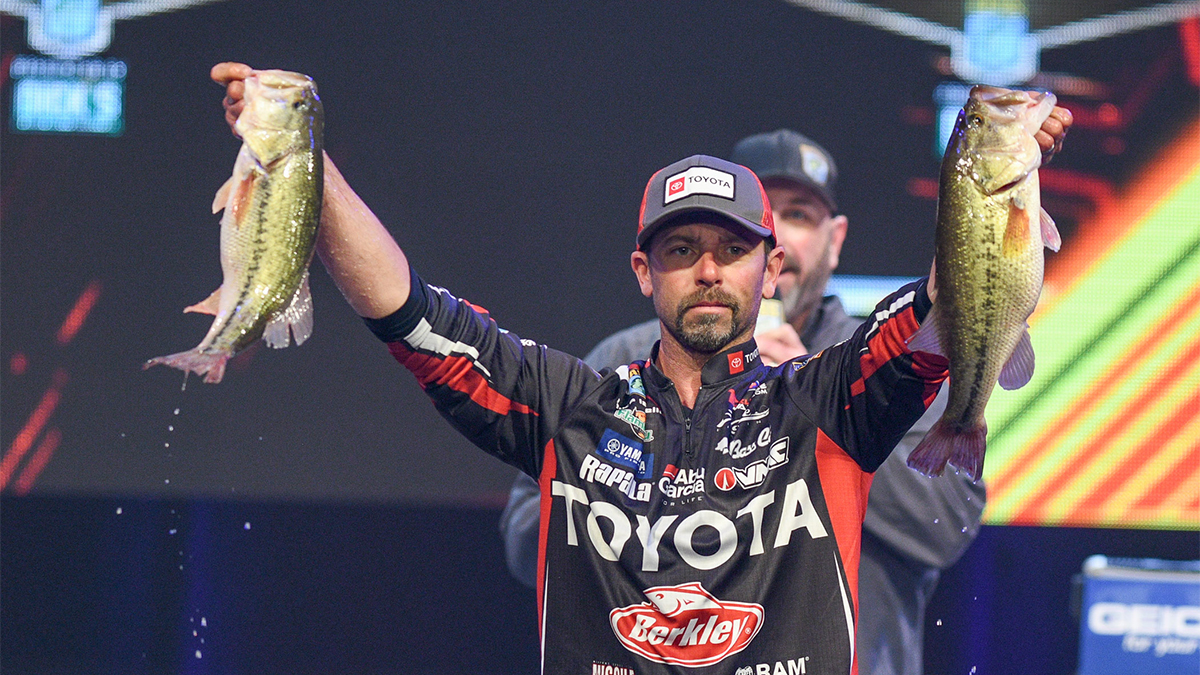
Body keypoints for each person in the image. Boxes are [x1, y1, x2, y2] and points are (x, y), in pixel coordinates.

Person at [212, 63, 1071, 674]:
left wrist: (1002, 171)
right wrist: (300, 163)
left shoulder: (828, 399)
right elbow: (404, 312)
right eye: (681, 248)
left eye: (733, 250)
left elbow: (942, 306)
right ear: (641, 271)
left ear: (771, 270)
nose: (707, 268)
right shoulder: (569, 404)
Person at [500, 130, 975, 675]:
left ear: (833, 239)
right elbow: (522, 540)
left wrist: (815, 418)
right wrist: (632, 487)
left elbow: (946, 526)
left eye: (799, 215)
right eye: (766, 216)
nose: (784, 237)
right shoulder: (625, 361)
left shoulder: (878, 365)